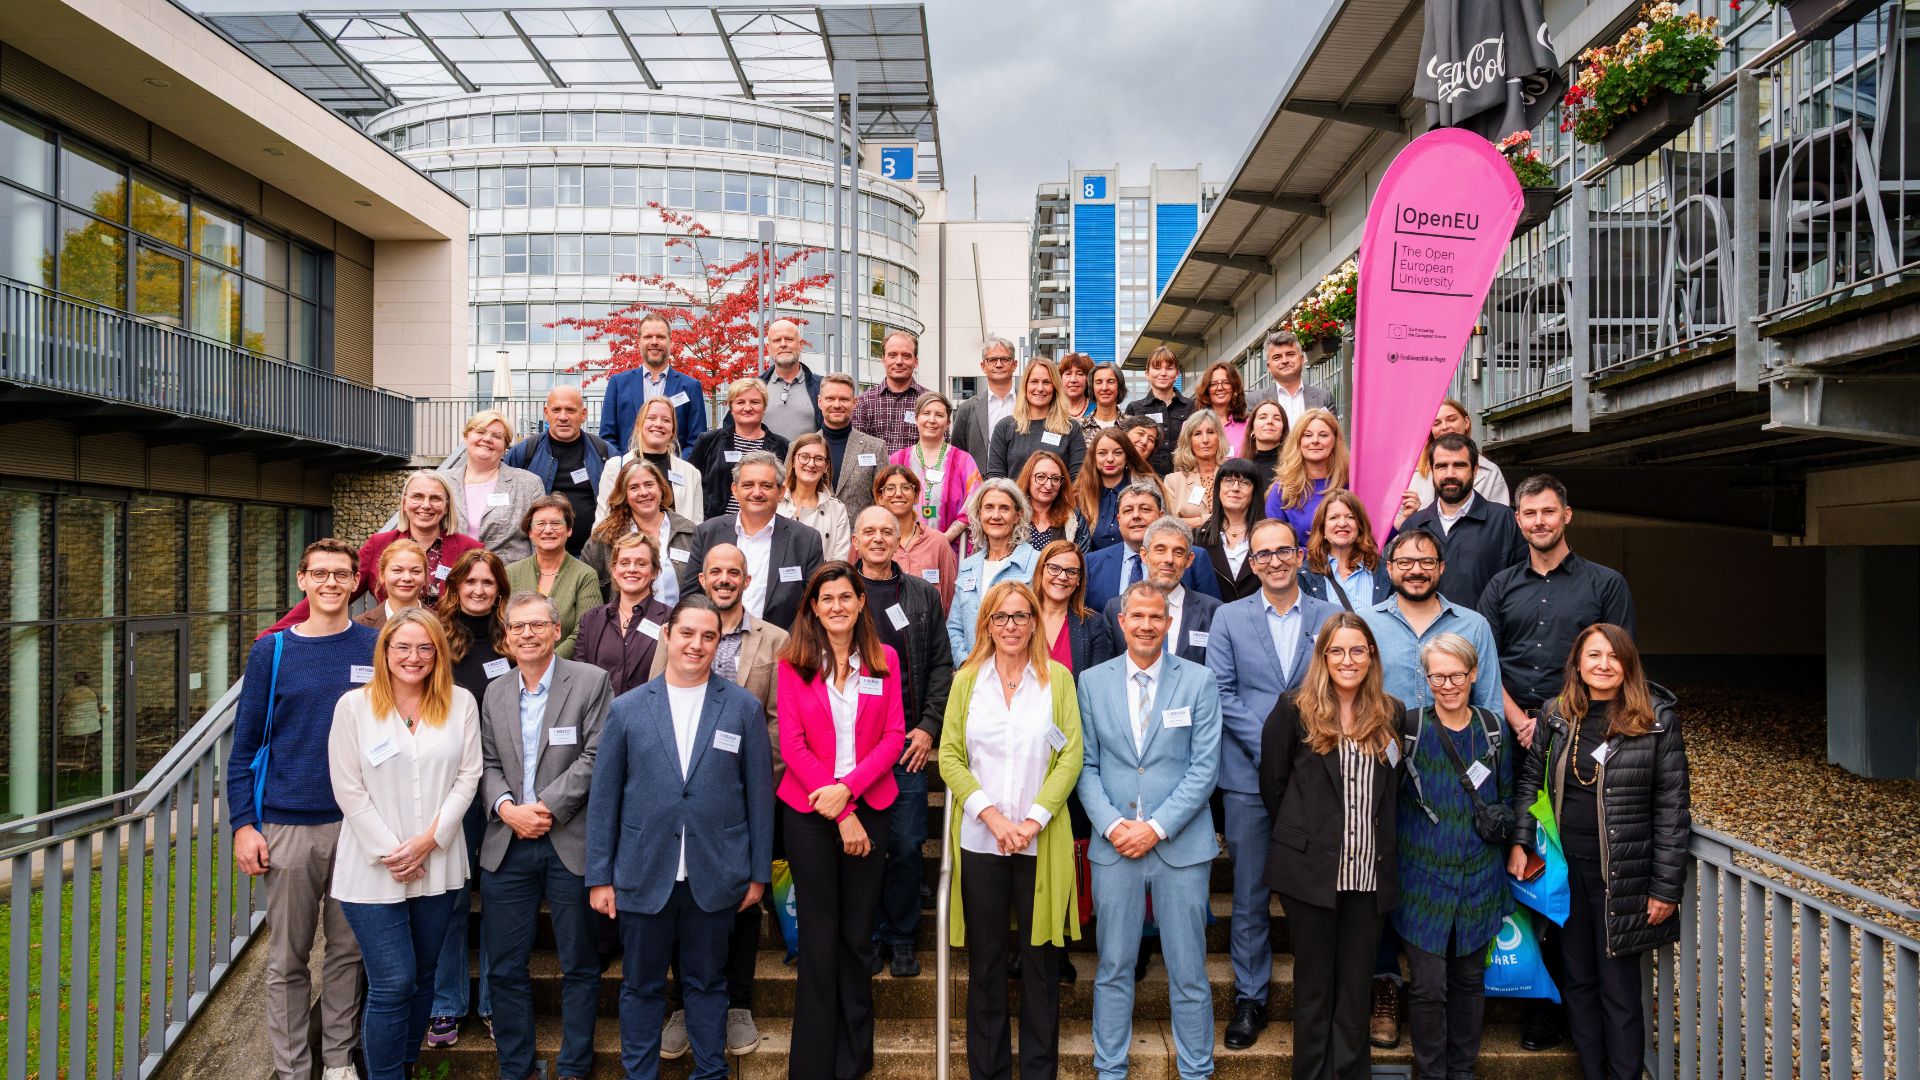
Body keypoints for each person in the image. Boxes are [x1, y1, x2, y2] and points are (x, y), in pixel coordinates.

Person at [586, 595, 775, 1080]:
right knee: (641, 986)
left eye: (708, 636)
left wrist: (757, 874)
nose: (696, 644)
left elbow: (758, 794)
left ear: (718, 643)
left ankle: (711, 1072)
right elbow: (605, 798)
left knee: (709, 983)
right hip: (643, 871)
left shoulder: (743, 708)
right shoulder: (627, 709)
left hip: (716, 873)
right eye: (687, 633)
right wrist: (599, 876)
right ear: (667, 635)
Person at [1509, 624, 1690, 1080]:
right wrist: (1520, 841)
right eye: (1593, 655)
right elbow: (1531, 781)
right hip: (1565, 875)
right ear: (1578, 663)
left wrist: (1666, 887)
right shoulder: (1556, 714)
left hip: (1623, 878)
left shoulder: (1656, 720)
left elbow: (1672, 807)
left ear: (1628, 663)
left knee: (1620, 991)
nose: (1603, 665)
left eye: (1613, 656)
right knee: (1579, 982)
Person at [226, 539, 375, 1080]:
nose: (332, 583)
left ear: (357, 582)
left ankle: (336, 1063)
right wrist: (245, 825)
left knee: (347, 953)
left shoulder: (375, 646)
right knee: (287, 959)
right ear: (302, 580)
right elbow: (243, 749)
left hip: (359, 828)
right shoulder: (273, 651)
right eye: (321, 574)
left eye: (342, 574)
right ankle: (292, 1069)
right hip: (288, 823)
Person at [646, 544, 791, 1057]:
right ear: (702, 578)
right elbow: (655, 704)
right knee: (682, 897)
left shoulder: (774, 639)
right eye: (717, 573)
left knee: (746, 900)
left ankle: (737, 1003)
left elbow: (778, 719)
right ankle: (683, 1005)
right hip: (683, 796)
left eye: (735, 572)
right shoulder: (680, 631)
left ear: (747, 578)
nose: (725, 580)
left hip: (748, 792)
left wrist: (753, 780)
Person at [1203, 517, 1341, 1049]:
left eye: (1284, 551)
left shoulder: (1331, 616)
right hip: (1247, 776)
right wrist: (1276, 747)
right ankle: (1250, 997)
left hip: (1321, 774)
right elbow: (1220, 689)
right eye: (1263, 555)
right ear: (1251, 563)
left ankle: (1321, 995)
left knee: (1321, 892)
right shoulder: (1229, 617)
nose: (1275, 561)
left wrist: (1302, 751)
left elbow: (1343, 684)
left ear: (1300, 555)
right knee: (1250, 891)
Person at [327, 608, 483, 1080]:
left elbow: (469, 776)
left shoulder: (461, 703)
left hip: (438, 865)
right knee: (393, 982)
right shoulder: (353, 707)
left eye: (424, 648)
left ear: (438, 653)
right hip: (374, 870)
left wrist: (430, 841)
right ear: (385, 651)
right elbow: (347, 787)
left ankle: (408, 1066)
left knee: (422, 978)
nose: (413, 657)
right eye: (402, 647)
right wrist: (393, 850)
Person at [1076, 582, 1223, 1080]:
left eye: (1155, 617)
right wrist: (1117, 825)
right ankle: (1109, 1068)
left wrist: (1156, 828)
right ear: (1121, 621)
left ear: (1169, 623)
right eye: (1136, 616)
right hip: (1114, 846)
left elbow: (1204, 768)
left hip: (1181, 846)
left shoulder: (1199, 681)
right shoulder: (1092, 682)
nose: (1145, 625)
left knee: (1189, 973)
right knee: (1114, 968)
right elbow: (1085, 765)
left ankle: (1197, 1071)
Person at [940, 581, 1083, 1080]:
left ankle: (1039, 1071)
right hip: (982, 839)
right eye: (1001, 618)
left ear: (1035, 621)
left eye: (1022, 616)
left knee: (1042, 965)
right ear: (986, 624)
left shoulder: (1058, 680)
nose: (1012, 626)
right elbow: (951, 757)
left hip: (1039, 839)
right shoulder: (967, 681)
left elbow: (1071, 757)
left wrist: (1031, 820)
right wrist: (993, 817)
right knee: (987, 965)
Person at [1260, 613, 1406, 1080]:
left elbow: (1394, 789)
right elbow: (1274, 786)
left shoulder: (1391, 713)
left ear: (1371, 657)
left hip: (1369, 872)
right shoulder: (1294, 710)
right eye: (1338, 650)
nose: (1348, 660)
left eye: (1358, 650)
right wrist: (1307, 837)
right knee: (1314, 987)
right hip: (1311, 874)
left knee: (1356, 985)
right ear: (1323, 656)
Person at [775, 564, 906, 1080]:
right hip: (809, 814)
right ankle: (811, 1065)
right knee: (819, 937)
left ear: (859, 604)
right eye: (825, 598)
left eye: (845, 597)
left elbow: (894, 738)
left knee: (856, 938)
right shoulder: (793, 663)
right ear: (813, 606)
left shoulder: (885, 661)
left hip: (870, 808)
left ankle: (854, 1061)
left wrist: (849, 795)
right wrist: (840, 810)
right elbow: (793, 745)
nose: (835, 606)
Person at [479, 592, 614, 1080]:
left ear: (557, 631)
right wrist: (507, 809)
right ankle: (517, 1068)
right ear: (507, 636)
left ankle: (575, 1065)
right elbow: (487, 764)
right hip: (508, 842)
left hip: (569, 840)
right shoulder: (494, 691)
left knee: (579, 962)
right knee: (505, 968)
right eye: (518, 627)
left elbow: (598, 756)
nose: (528, 634)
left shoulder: (591, 682)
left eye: (538, 625)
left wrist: (547, 808)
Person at [1396, 633, 1513, 1080]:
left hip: (1479, 877)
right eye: (1437, 675)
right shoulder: (1410, 728)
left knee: (1468, 984)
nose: (1447, 684)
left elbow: (1504, 796)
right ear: (1425, 679)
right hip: (1422, 879)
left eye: (1456, 675)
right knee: (1428, 988)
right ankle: (1430, 1073)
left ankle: (1461, 1071)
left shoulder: (1492, 728)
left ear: (1474, 674)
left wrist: (1514, 845)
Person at [850, 506, 953, 979]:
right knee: (863, 846)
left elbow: (939, 665)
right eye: (868, 531)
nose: (877, 539)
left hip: (906, 746)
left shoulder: (919, 594)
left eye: (886, 532)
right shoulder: (835, 589)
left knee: (909, 845)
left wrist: (930, 726)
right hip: (850, 750)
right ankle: (867, 934)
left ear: (899, 538)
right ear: (855, 538)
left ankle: (902, 937)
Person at [1478, 475, 1636, 751]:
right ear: (1518, 520)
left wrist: (1558, 719)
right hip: (1509, 731)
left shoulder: (1607, 584)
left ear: (1567, 515)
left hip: (1581, 727)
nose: (1539, 521)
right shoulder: (1499, 586)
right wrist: (1519, 722)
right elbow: (1483, 661)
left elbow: (1617, 662)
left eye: (1548, 511)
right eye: (1530, 513)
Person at [425, 547, 511, 1047]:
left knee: (499, 898)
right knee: (452, 896)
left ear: (499, 589)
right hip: (449, 786)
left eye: (488, 583)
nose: (479, 590)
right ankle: (445, 1003)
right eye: (470, 582)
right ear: (454, 587)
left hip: (500, 786)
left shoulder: (512, 641)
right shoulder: (438, 640)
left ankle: (496, 1001)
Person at [264, 471, 482, 634]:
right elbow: (339, 586)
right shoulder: (379, 544)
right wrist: (273, 635)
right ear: (404, 503)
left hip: (450, 644)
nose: (425, 505)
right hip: (385, 644)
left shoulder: (469, 550)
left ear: (446, 506)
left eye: (435, 498)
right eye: (417, 497)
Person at [1362, 529, 1504, 717]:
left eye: (1427, 562)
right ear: (1389, 568)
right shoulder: (1365, 624)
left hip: (1455, 745)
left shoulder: (1474, 626)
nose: (1416, 570)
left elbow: (1490, 706)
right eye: (1405, 562)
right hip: (1385, 743)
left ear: (1441, 567)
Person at [680, 452, 826, 630]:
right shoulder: (707, 533)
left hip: (781, 649)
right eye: (748, 485)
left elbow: (814, 605)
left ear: (781, 492)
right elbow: (690, 597)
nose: (757, 493)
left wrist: (786, 649)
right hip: (715, 645)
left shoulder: (806, 540)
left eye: (766, 485)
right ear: (735, 490)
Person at [1398, 435, 1526, 607]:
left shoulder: (1505, 520)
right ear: (1432, 470)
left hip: (1486, 632)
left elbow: (1522, 587)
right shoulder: (1413, 525)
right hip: (1426, 633)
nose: (1450, 474)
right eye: (1442, 466)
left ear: (1475, 470)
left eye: (1459, 465)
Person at [504, 385, 613, 555]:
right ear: (546, 413)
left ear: (583, 415)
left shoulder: (605, 453)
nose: (563, 417)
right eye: (556, 410)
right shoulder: (524, 453)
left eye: (570, 410)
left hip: (592, 556)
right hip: (538, 555)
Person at [1099, 516, 1220, 666]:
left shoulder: (1213, 611)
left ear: (1189, 560)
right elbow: (1108, 669)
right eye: (1160, 550)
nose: (1169, 559)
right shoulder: (1115, 608)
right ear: (1144, 555)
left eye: (1178, 552)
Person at [1084, 483, 1219, 613]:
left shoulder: (1195, 557)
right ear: (1119, 519)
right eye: (1128, 510)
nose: (1136, 516)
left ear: (1161, 516)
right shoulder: (1092, 563)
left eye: (1145, 509)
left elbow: (1210, 614)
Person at [947, 479, 1041, 663]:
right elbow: (954, 627)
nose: (995, 515)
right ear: (979, 514)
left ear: (1017, 515)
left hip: (1020, 672)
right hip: (973, 674)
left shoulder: (1036, 562)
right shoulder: (968, 566)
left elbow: (1043, 623)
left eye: (1004, 508)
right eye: (989, 507)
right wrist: (965, 664)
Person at [584, 458, 697, 604]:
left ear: (661, 488)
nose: (643, 492)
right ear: (624, 495)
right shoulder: (604, 538)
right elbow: (588, 590)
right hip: (624, 625)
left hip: (679, 624)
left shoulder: (688, 532)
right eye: (634, 487)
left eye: (649, 484)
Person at [574, 532, 675, 695]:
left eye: (641, 563)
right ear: (614, 570)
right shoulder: (591, 620)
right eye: (624, 562)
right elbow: (580, 676)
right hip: (600, 716)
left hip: (646, 715)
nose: (632, 569)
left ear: (655, 571)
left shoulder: (670, 619)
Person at [506, 495, 604, 659]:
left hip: (568, 669)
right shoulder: (511, 573)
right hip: (518, 665)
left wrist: (548, 662)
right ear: (530, 531)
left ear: (569, 530)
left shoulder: (585, 575)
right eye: (541, 524)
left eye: (556, 523)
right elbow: (502, 626)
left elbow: (586, 631)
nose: (548, 529)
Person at [597, 311, 708, 454]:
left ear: (670, 342)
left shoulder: (691, 387)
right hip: (628, 472)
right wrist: (626, 467)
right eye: (648, 336)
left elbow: (697, 441)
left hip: (673, 473)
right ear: (639, 342)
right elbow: (607, 438)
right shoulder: (618, 384)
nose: (654, 342)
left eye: (661, 337)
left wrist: (675, 467)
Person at [443, 409, 545, 563]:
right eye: (480, 431)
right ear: (466, 436)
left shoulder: (529, 485)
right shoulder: (441, 482)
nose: (487, 438)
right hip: (451, 578)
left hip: (509, 580)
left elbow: (540, 542)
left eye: (497, 436)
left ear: (505, 446)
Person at [688, 377, 792, 520]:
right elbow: (689, 484)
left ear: (764, 407)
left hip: (767, 528)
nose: (747, 408)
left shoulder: (782, 446)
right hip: (715, 528)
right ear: (731, 408)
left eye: (755, 402)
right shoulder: (708, 441)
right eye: (740, 402)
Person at [596, 395, 705, 528]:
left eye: (666, 420)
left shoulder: (690, 473)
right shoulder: (615, 467)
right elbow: (602, 521)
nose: (658, 424)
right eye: (651, 418)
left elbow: (698, 527)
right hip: (627, 546)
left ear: (672, 431)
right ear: (639, 425)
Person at [892, 391, 981, 552]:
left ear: (948, 422)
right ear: (916, 418)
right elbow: (883, 502)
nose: (932, 420)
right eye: (926, 413)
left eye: (939, 415)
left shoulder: (963, 461)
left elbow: (975, 502)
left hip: (950, 548)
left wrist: (944, 538)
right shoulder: (897, 460)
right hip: (902, 549)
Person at [872, 464, 959, 610]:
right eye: (890, 488)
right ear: (880, 497)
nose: (898, 494)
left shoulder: (937, 542)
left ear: (917, 496)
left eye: (906, 487)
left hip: (929, 631)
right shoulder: (869, 541)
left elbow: (950, 601)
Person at [986, 357, 1085, 481]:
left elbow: (1077, 480)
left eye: (1046, 382)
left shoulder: (1070, 428)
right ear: (1025, 386)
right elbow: (995, 478)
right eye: (1034, 381)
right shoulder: (1005, 427)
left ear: (1055, 387)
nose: (1040, 388)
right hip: (1014, 500)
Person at [1402, 398, 1510, 511]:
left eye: (1452, 419)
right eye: (1436, 423)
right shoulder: (1410, 472)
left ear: (1467, 422)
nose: (1444, 427)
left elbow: (1499, 521)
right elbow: (1394, 523)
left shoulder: (1490, 472)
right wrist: (1411, 516)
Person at [1264, 407, 1350, 546]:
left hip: (1350, 566)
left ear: (1334, 441)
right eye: (1307, 435)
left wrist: (1397, 523)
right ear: (1298, 441)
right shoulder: (1282, 490)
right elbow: (1276, 543)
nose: (1315, 441)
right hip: (1302, 566)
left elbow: (1370, 536)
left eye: (1323, 435)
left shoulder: (1351, 483)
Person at [1300, 490, 1392, 612]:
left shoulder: (1384, 571)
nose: (1342, 523)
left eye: (1350, 517)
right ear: (1322, 528)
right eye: (1334, 517)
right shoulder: (1305, 575)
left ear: (1360, 526)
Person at [1074, 427, 1158, 553]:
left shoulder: (1147, 486)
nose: (1110, 459)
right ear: (1093, 457)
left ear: (1127, 456)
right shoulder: (1080, 494)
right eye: (1102, 453)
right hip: (1092, 568)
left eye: (1117, 453)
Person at [819, 372, 889, 521]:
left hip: (860, 538)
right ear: (820, 402)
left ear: (854, 402)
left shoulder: (875, 448)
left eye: (844, 399)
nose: (836, 405)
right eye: (830, 399)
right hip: (813, 539)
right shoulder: (801, 448)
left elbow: (883, 500)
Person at [852, 329, 932, 454]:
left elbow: (942, 449)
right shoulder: (864, 402)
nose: (899, 361)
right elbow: (857, 450)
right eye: (892, 355)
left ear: (915, 362)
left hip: (917, 474)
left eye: (906, 356)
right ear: (883, 360)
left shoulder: (930, 402)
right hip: (877, 474)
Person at [1196, 458, 1265, 602]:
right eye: (1228, 481)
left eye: (1245, 482)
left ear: (1255, 490)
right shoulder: (1198, 538)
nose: (1235, 488)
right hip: (1212, 620)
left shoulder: (1269, 536)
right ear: (1219, 488)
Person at [1123, 346, 1197, 476]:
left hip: (1186, 477)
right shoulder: (1135, 408)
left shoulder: (1193, 406)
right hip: (1146, 479)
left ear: (1177, 374)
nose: (1163, 373)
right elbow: (1126, 448)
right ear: (1147, 373)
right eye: (1157, 368)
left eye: (1169, 368)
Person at [778, 432, 852, 560]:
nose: (811, 464)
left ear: (826, 466)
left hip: (822, 579)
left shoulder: (837, 509)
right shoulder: (774, 501)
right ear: (793, 461)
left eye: (819, 458)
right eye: (804, 457)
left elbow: (840, 561)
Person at [950, 336, 1019, 465]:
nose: (999, 364)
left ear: (1014, 364)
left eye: (1004, 359)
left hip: (1020, 481)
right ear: (983, 366)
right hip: (979, 482)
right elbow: (958, 453)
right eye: (992, 360)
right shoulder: (967, 408)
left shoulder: (1028, 403)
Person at [1162, 410, 1230, 529]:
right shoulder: (1173, 481)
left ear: (1219, 437)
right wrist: (1209, 520)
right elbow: (1169, 525)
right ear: (1189, 441)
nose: (1205, 440)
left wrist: (1192, 522)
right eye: (1197, 433)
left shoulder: (1232, 475)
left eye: (1210, 432)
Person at [1248, 330, 1333, 424]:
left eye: (1290, 354)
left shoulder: (1323, 398)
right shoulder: (1254, 401)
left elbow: (1333, 434)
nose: (1285, 360)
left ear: (1302, 359)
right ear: (1268, 367)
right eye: (1277, 357)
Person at [760, 318, 824, 443]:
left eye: (789, 339)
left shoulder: (822, 387)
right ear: (768, 347)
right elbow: (728, 431)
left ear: (800, 344)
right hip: (764, 462)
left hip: (808, 461)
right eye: (777, 340)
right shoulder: (753, 388)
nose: (783, 344)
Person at [356, 538, 427, 632]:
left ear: (425, 577)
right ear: (382, 575)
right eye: (397, 570)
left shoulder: (444, 625)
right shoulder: (360, 626)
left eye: (415, 571)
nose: (407, 578)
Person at [1018, 451, 1085, 551]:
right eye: (1041, 477)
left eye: (1055, 478)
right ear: (1028, 479)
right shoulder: (1013, 513)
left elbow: (1083, 559)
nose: (1049, 485)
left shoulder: (1073, 517)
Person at [1239, 399, 1289, 496]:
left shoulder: (1292, 467)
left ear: (1283, 431)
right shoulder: (1240, 468)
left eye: (1277, 419)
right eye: (1262, 417)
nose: (1270, 421)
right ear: (1252, 429)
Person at [1198, 361, 1250, 454]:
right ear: (1207, 390)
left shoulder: (1249, 425)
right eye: (1213, 384)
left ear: (1235, 387)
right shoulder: (1191, 425)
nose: (1220, 388)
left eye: (1226, 382)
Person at [1079, 361, 1128, 445]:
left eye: (1110, 381)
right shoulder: (1079, 427)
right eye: (1098, 382)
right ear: (1092, 388)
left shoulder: (1130, 426)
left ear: (1119, 386)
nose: (1104, 387)